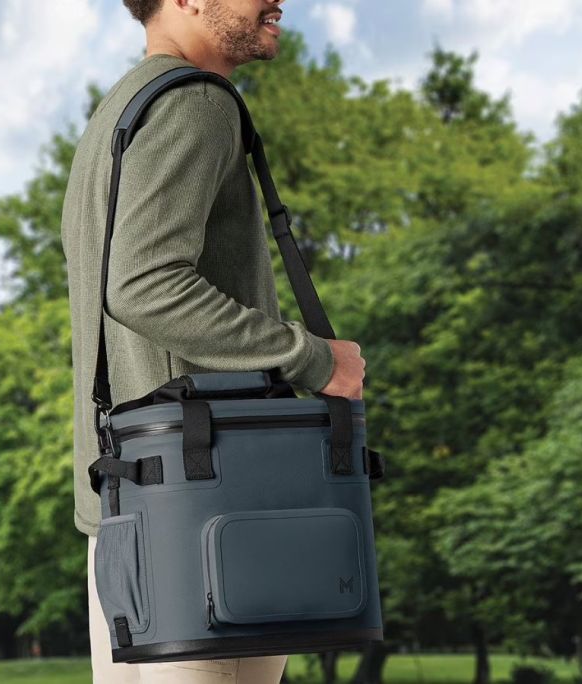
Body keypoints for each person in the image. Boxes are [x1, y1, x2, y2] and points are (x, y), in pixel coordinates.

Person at [61, 0, 366, 681]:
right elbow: (142, 285)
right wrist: (313, 357)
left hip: (129, 511)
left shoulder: (116, 115)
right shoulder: (195, 104)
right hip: (207, 510)